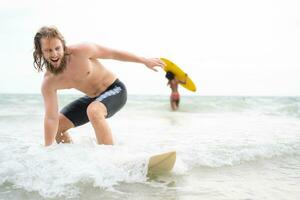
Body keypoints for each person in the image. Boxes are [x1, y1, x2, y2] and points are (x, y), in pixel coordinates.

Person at [33, 26, 165, 146]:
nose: (54, 54)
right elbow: (51, 118)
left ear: (63, 45)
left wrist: (144, 61)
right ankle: (71, 160)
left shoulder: (82, 51)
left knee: (94, 111)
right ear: (41, 52)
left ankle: (111, 159)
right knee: (58, 127)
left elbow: (113, 54)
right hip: (93, 98)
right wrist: (47, 150)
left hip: (115, 89)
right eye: (48, 50)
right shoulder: (49, 82)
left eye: (57, 48)